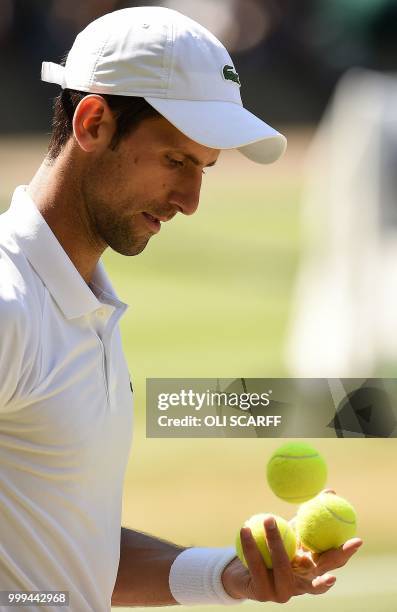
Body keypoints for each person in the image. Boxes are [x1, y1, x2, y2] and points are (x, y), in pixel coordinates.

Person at [0, 6, 362, 611]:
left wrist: (228, 575)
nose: (191, 201)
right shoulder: (10, 306)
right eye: (175, 160)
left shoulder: (85, 304)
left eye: (204, 169)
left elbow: (64, 555)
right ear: (93, 122)